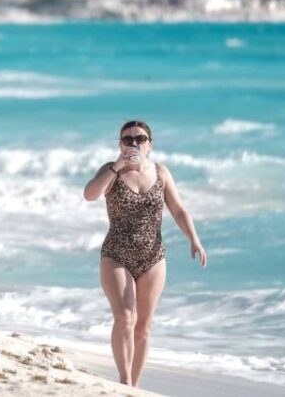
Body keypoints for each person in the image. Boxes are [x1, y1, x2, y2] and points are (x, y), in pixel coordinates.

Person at [83, 120, 207, 388]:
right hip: (116, 254)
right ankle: (123, 380)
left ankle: (133, 387)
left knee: (143, 328)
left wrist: (194, 239)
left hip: (153, 257)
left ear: (150, 144)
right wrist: (117, 166)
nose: (134, 143)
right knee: (125, 317)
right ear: (120, 144)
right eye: (127, 139)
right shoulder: (110, 171)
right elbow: (90, 195)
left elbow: (178, 209)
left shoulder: (161, 172)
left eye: (140, 138)